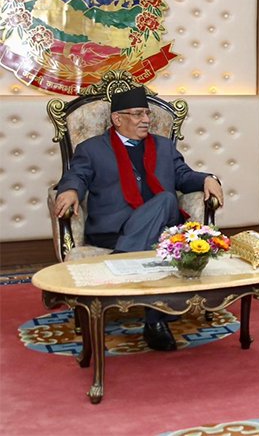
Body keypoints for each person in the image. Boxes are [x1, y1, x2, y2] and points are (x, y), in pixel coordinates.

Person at [54, 86, 225, 351]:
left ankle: (122, 269)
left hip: (159, 224)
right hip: (114, 228)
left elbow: (182, 175)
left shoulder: (163, 146)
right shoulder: (92, 149)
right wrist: (70, 190)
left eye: (147, 114)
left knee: (165, 201)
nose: (146, 119)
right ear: (117, 119)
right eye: (137, 114)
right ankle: (155, 321)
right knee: (164, 212)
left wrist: (208, 178)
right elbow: (77, 175)